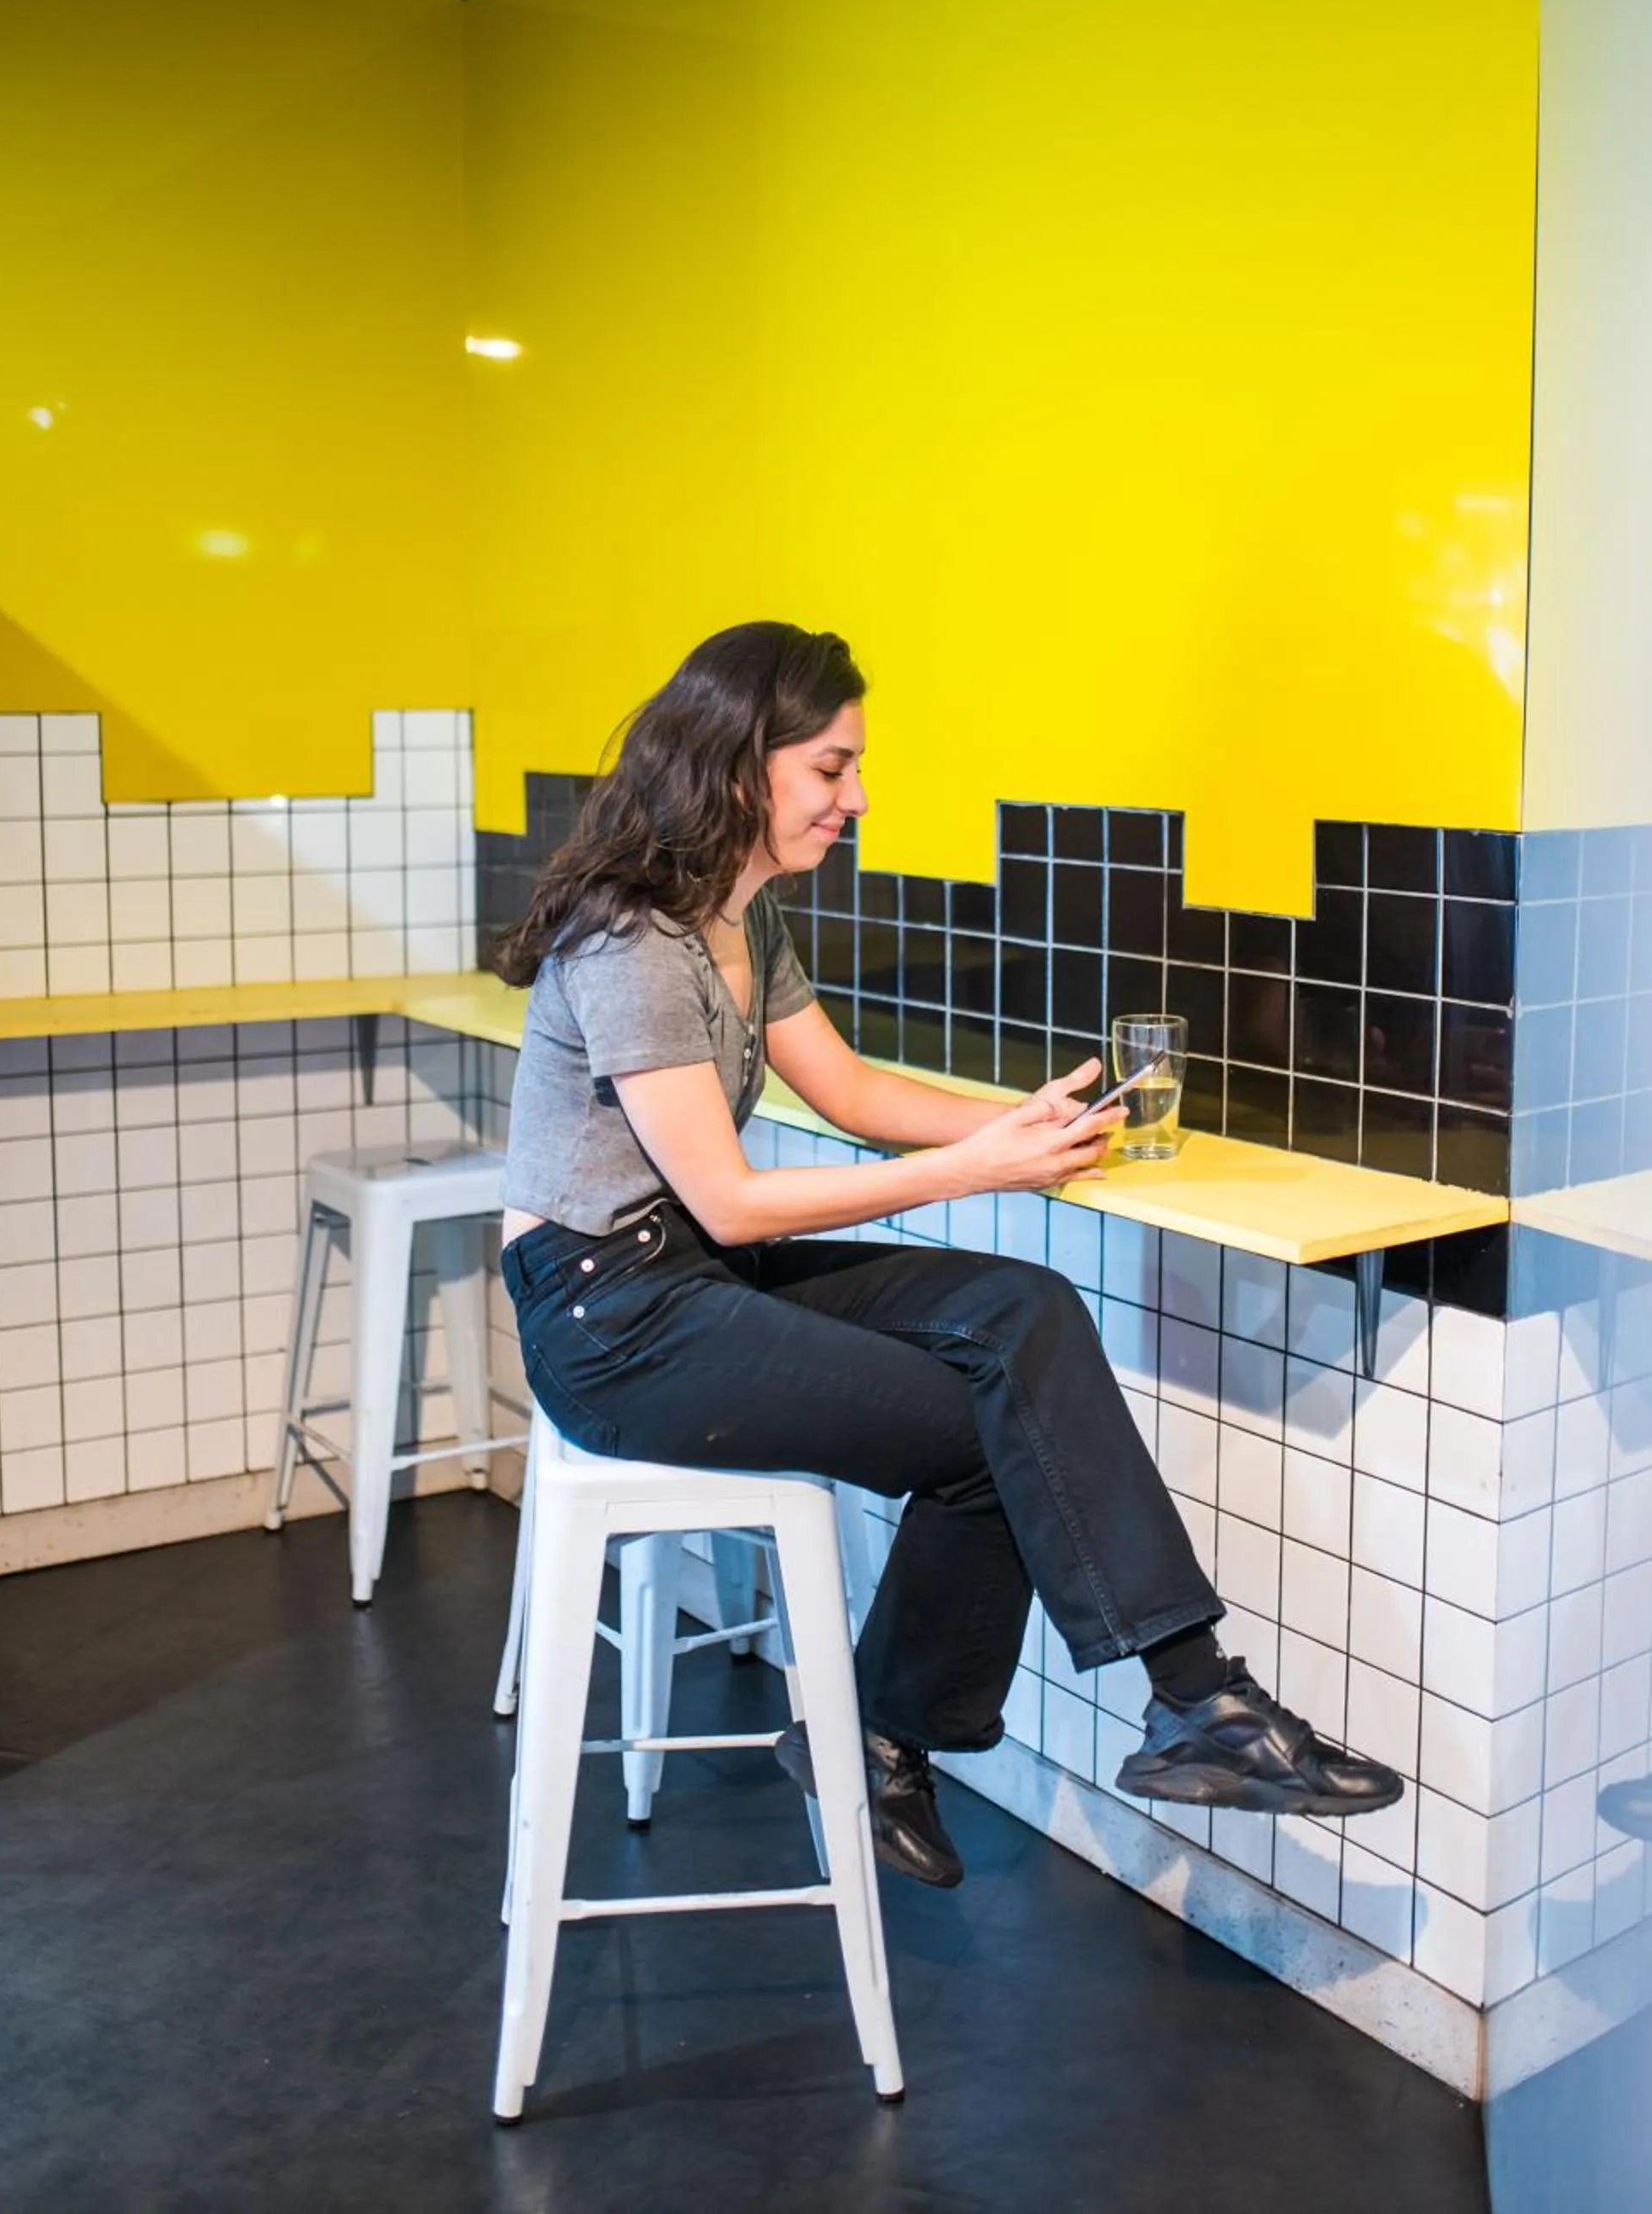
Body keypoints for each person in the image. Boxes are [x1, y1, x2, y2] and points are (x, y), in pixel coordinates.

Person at [496, 621, 1402, 1886]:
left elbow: (854, 1091)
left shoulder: (738, 918)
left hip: (690, 1279)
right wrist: (977, 1168)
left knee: (1020, 1309)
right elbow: (739, 1198)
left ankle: (1195, 1703)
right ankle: (901, 1735)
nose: (854, 798)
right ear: (738, 764)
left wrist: (1025, 1123)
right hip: (612, 1321)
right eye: (830, 768)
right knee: (997, 1433)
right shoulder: (637, 938)